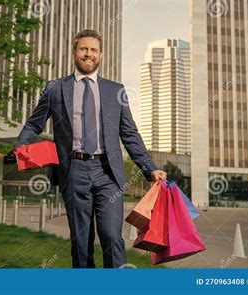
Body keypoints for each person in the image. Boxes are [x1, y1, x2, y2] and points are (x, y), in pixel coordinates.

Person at [16, 29, 166, 268]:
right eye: (83, 49)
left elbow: (129, 134)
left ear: (101, 55)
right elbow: (35, 123)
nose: (88, 54)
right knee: (81, 242)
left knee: (111, 236)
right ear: (75, 52)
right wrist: (21, 146)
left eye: (93, 50)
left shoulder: (115, 90)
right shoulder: (55, 88)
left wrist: (150, 168)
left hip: (108, 173)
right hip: (73, 170)